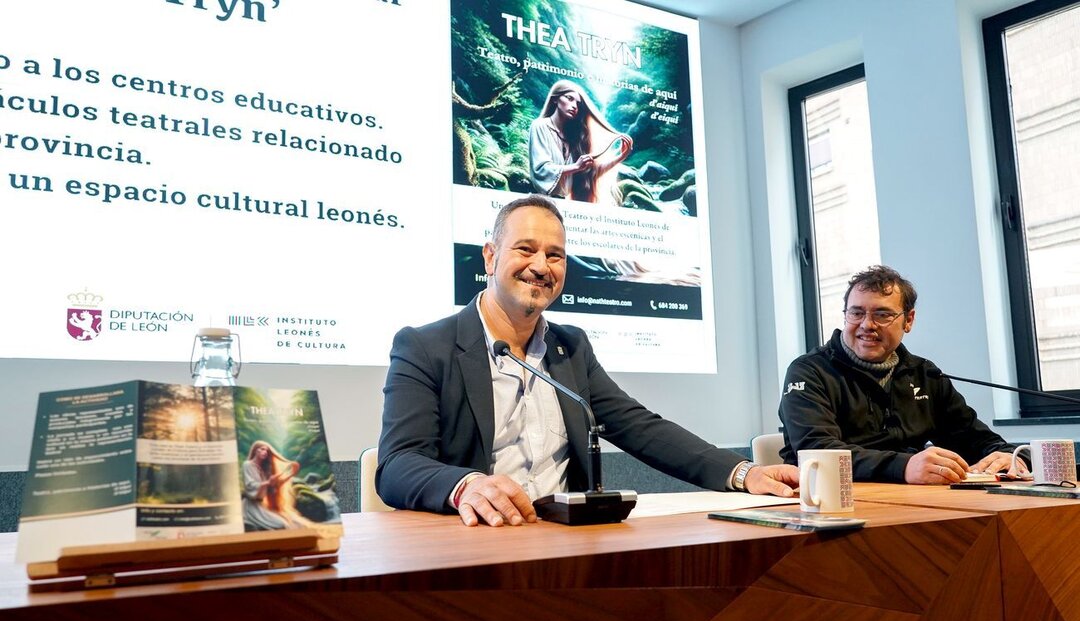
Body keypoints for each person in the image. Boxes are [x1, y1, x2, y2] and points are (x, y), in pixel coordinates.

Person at [377, 195, 799, 527]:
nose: (541, 267)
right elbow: (397, 465)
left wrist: (744, 473)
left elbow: (640, 427)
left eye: (555, 255)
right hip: (478, 541)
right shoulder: (425, 346)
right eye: (525, 249)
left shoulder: (571, 347)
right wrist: (465, 485)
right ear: (490, 256)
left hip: (568, 543)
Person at [779, 265, 1028, 484]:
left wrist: (1009, 457)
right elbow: (817, 452)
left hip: (916, 501)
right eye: (856, 313)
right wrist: (905, 467)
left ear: (908, 320)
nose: (867, 324)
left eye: (882, 314)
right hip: (830, 502)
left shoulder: (925, 374)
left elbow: (976, 440)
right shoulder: (809, 371)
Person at [529, 80, 632, 204]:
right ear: (555, 99)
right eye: (569, 98)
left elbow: (590, 174)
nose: (574, 106)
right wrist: (575, 166)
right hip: (541, 203)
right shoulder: (540, 125)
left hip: (563, 205)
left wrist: (620, 157)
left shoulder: (574, 137)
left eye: (578, 104)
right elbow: (542, 169)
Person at [241, 440, 310, 530]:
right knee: (281, 524)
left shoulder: (263, 469)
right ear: (255, 450)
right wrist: (268, 482)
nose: (265, 452)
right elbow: (250, 485)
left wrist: (291, 474)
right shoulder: (247, 465)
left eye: (267, 451)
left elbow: (274, 487)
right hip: (250, 507)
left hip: (260, 506)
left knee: (294, 523)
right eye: (262, 449)